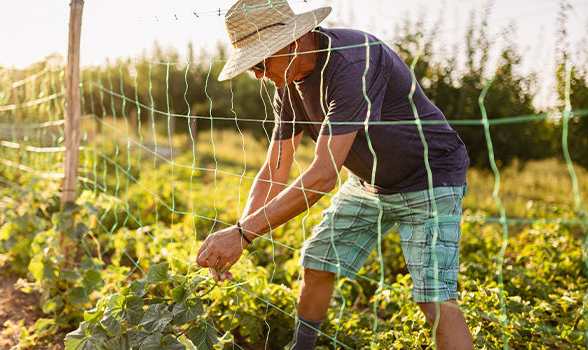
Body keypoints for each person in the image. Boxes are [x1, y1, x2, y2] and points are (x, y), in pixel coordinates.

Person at [195, 0, 474, 349]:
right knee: (318, 261)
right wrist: (240, 233)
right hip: (370, 182)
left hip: (430, 178)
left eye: (261, 63)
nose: (259, 76)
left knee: (434, 298)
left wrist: (241, 234)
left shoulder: (354, 61)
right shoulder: (289, 83)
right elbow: (274, 169)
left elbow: (325, 175)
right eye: (252, 68)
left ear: (293, 42)